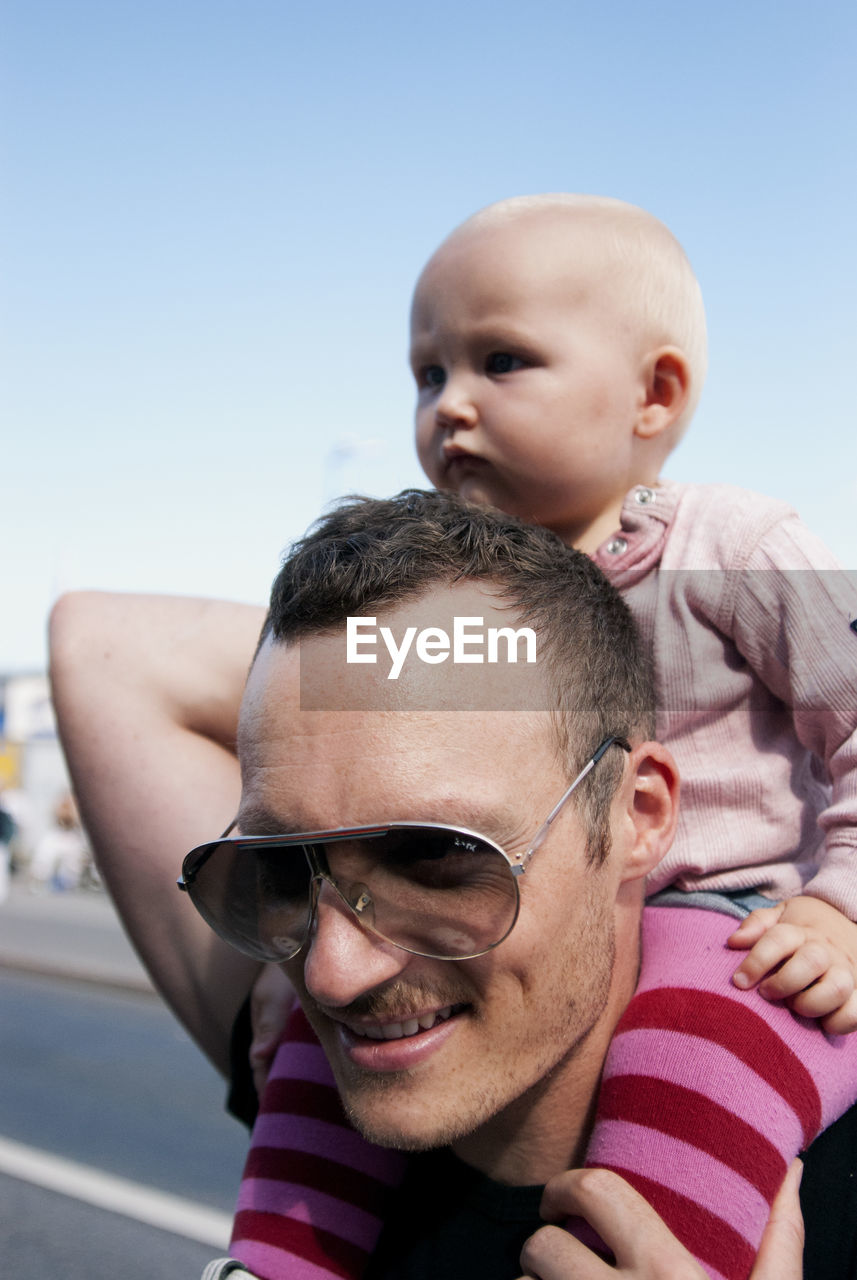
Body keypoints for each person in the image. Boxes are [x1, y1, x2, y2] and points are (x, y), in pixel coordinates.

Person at [224, 194, 857, 1280]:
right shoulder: (462, 613)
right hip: (584, 924)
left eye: (500, 360)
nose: (448, 407)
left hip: (735, 914)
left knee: (703, 1051)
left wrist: (837, 906)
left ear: (654, 393)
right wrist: (301, 915)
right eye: (427, 374)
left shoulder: (730, 544)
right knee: (302, 1063)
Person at [51, 489, 803, 1280]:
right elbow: (92, 641)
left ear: (637, 817)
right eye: (280, 862)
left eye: (434, 855)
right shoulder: (313, 1109)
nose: (327, 976)